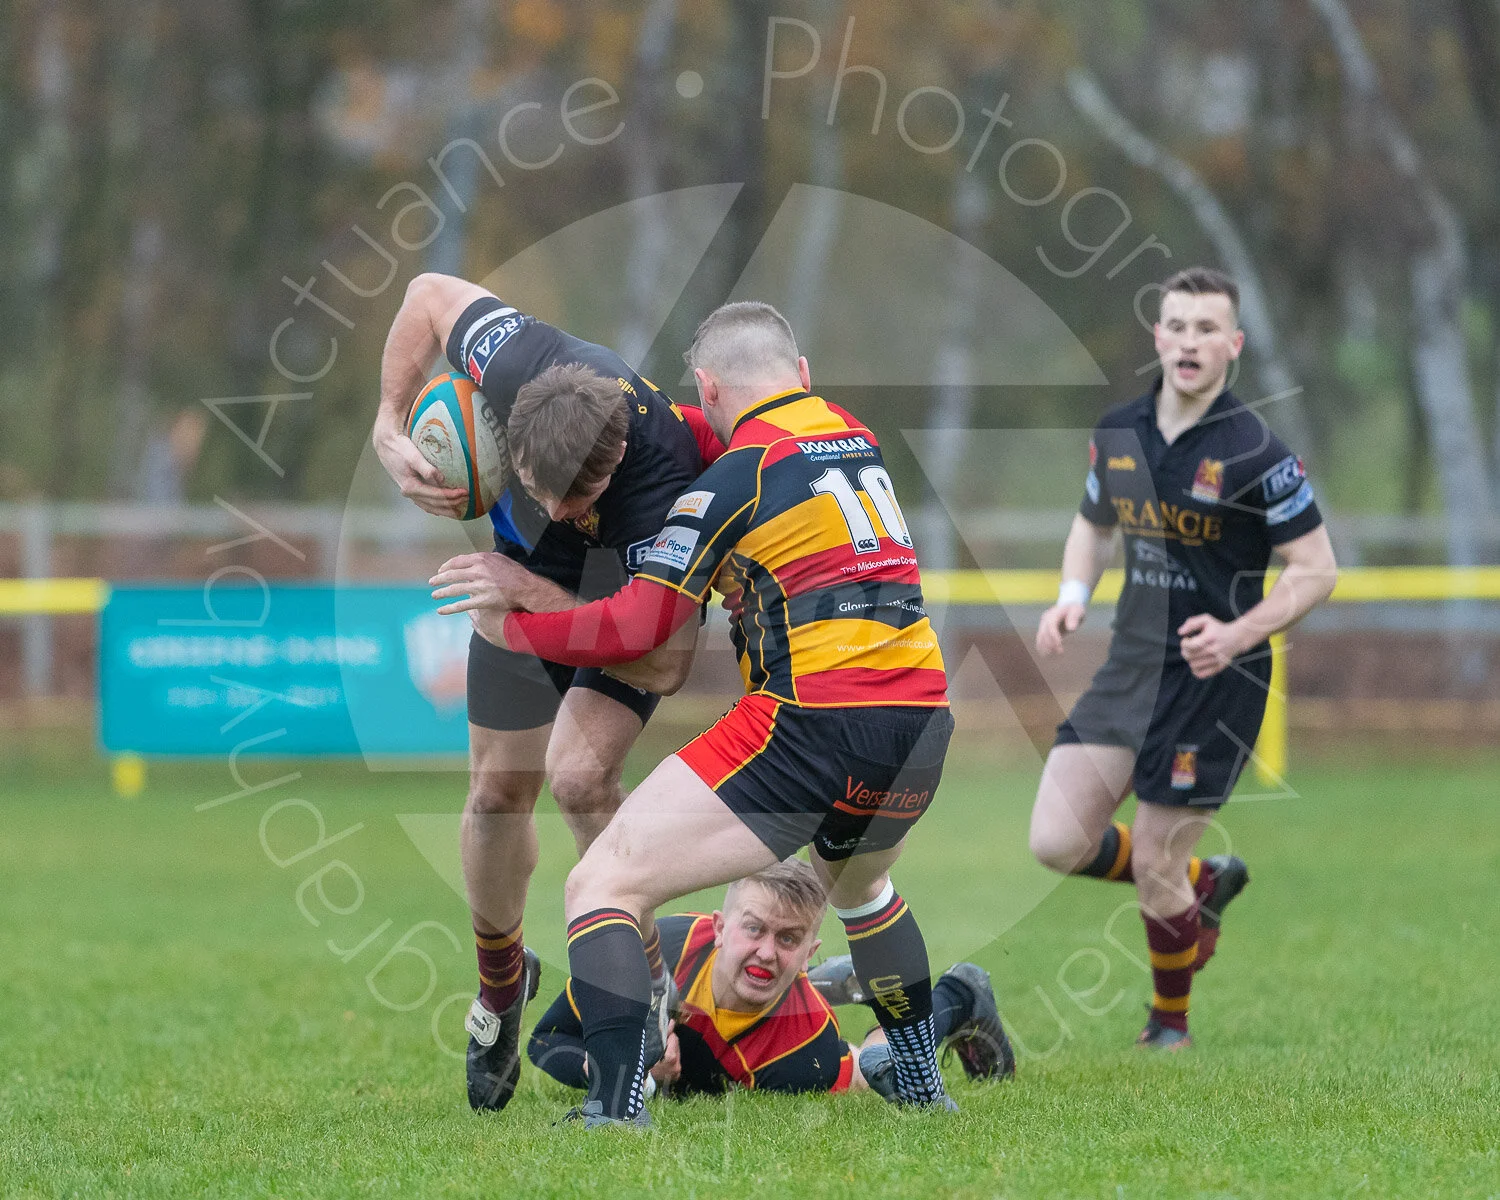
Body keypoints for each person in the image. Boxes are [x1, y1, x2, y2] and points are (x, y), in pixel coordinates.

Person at [432, 300, 964, 1127]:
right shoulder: (858, 439)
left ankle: (617, 1105)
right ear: (804, 379)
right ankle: (927, 1090)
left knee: (602, 881)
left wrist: (517, 623)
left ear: (708, 389)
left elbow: (644, 630)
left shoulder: (728, 479)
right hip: (922, 716)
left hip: (814, 718)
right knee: (866, 893)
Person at [372, 272, 721, 1112]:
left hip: (623, 613)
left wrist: (528, 599)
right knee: (495, 797)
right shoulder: (518, 358)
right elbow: (424, 294)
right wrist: (388, 425)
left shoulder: (664, 484)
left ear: (615, 465)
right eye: (536, 489)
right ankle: (499, 988)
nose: (559, 510)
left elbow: (663, 665)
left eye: (581, 497)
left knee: (582, 779)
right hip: (521, 586)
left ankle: (643, 996)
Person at [1028, 267, 1337, 1050]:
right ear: (1157, 336)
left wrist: (1238, 634)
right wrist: (1072, 593)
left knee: (1157, 853)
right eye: (1178, 325)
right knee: (1057, 840)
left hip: (1214, 679)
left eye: (1208, 329)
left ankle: (1170, 1024)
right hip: (1131, 665)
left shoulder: (1256, 452)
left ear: (1233, 346)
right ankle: (1200, 887)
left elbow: (1316, 570)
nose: (1190, 341)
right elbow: (1093, 524)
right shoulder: (1121, 430)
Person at [529, 859, 1013, 1100]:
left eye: (788, 939)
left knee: (882, 1068)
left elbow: (859, 1073)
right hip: (713, 979)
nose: (765, 949)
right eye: (754, 929)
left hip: (789, 1021)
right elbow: (547, 1039)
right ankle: (837, 980)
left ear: (807, 951)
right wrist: (613, 1067)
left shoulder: (807, 1050)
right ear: (719, 927)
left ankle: (958, 994)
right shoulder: (653, 952)